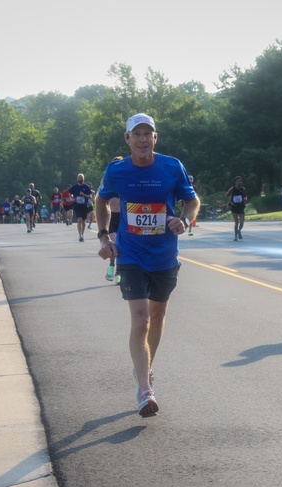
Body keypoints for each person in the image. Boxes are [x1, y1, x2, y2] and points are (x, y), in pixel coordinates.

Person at [95, 112, 199, 417]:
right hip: (130, 255)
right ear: (127, 139)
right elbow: (101, 201)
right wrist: (104, 237)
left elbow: (192, 200)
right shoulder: (117, 170)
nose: (142, 139)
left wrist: (184, 218)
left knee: (157, 314)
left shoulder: (171, 166)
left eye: (147, 134)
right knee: (140, 319)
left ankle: (145, 366)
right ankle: (144, 389)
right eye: (136, 134)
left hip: (165, 255)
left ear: (155, 138)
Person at [69, 173, 93, 242]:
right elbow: (70, 193)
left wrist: (84, 195)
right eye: (79, 177)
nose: (80, 178)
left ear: (83, 178)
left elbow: (90, 196)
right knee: (79, 220)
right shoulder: (74, 187)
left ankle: (82, 234)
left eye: (81, 177)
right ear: (77, 178)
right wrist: (72, 198)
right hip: (77, 205)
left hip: (84, 206)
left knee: (83, 221)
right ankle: (80, 235)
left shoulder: (86, 187)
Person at [224, 176, 248, 241]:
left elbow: (245, 196)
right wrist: (230, 202)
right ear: (235, 182)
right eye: (238, 181)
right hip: (234, 206)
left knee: (242, 222)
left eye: (240, 181)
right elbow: (226, 195)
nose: (239, 182)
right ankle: (235, 236)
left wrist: (245, 199)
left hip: (241, 206)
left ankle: (239, 230)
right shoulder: (232, 189)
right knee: (236, 222)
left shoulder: (243, 189)